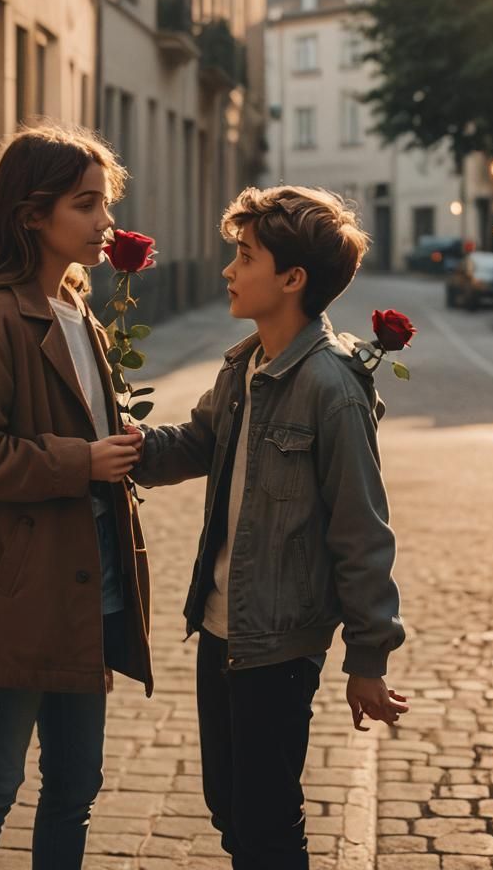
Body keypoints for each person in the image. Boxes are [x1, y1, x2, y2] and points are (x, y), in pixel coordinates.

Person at [132, 185, 408, 870]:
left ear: (292, 279)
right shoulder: (242, 368)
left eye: (245, 256)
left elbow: (361, 532)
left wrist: (368, 659)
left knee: (267, 826)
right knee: (231, 809)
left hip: (280, 645)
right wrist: (127, 447)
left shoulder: (332, 389)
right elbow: (196, 443)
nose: (229, 270)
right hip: (221, 629)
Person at [0, 123, 150, 869]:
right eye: (86, 205)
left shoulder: (80, 313)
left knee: (76, 783)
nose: (104, 223)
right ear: (31, 213)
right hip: (20, 592)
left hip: (92, 588)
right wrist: (80, 460)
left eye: (105, 203)